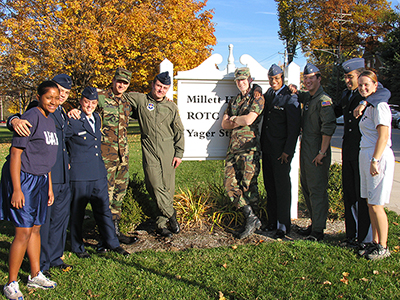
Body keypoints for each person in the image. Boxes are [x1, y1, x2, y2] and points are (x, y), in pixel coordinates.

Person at [6, 74, 73, 276]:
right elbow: (17, 149)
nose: (57, 98)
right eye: (53, 94)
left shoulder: (57, 115)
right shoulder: (35, 112)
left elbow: (54, 151)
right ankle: (24, 275)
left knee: (47, 225)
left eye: (63, 94)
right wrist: (13, 119)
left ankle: (45, 266)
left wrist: (50, 185)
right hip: (29, 178)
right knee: (31, 228)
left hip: (49, 177)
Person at [1, 81, 59, 300]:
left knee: (35, 228)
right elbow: (15, 154)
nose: (53, 101)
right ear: (39, 97)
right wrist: (17, 189)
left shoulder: (50, 120)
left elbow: (46, 159)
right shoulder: (31, 116)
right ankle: (11, 282)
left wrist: (49, 187)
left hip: (42, 180)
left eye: (57, 97)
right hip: (24, 180)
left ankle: (35, 274)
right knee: (23, 231)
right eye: (49, 97)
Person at [70, 68, 137, 245]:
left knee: (119, 195)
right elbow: (84, 107)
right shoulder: (100, 97)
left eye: (125, 83)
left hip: (123, 157)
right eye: (119, 81)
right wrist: (74, 111)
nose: (121, 85)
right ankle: (104, 235)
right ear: (113, 80)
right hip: (104, 157)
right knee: (104, 196)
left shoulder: (126, 102)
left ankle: (114, 232)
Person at [66, 87, 129, 258]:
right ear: (80, 101)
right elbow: (62, 142)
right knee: (77, 212)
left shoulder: (96, 118)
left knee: (103, 210)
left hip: (98, 172)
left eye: (93, 103)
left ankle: (112, 242)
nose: (90, 106)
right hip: (79, 174)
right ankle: (78, 247)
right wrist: (67, 162)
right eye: (86, 102)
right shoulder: (72, 120)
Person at [335, 58, 391, 249]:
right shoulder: (348, 94)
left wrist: (365, 101)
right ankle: (352, 236)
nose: (347, 81)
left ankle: (366, 238)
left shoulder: (372, 93)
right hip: (351, 152)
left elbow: (385, 92)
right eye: (346, 77)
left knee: (365, 198)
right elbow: (335, 110)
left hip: (367, 152)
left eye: (350, 77)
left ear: (360, 75)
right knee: (350, 195)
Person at [124, 71, 185, 238]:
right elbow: (121, 95)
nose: (161, 90)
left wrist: (179, 153)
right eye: (158, 86)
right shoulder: (141, 100)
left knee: (167, 188)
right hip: (149, 148)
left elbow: (179, 131)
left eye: (165, 88)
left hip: (168, 150)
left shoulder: (171, 106)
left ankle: (160, 224)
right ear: (153, 84)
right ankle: (171, 215)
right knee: (154, 186)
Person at [221, 67, 265, 239]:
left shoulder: (257, 98)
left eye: (244, 79)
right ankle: (251, 217)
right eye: (238, 80)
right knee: (229, 184)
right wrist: (236, 121)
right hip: (233, 149)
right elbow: (224, 124)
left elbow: (249, 119)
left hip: (249, 149)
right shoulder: (234, 100)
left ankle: (256, 222)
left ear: (250, 79)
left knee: (248, 186)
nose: (241, 82)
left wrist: (234, 119)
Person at [357, 70, 394, 260]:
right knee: (370, 203)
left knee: (378, 204)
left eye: (367, 84)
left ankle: (384, 246)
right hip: (366, 156)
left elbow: (384, 136)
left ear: (375, 85)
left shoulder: (380, 106)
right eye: (360, 84)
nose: (363, 88)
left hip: (377, 158)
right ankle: (375, 242)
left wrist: (375, 160)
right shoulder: (369, 106)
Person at [261, 64, 301, 238]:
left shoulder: (290, 98)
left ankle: (283, 226)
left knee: (282, 189)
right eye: (271, 79)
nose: (273, 81)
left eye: (276, 78)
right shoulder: (269, 94)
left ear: (282, 78)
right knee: (270, 187)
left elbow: (294, 129)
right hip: (268, 149)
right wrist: (255, 88)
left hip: (281, 153)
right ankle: (272, 222)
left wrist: (288, 152)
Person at [298, 63, 336, 241]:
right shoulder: (310, 98)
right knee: (307, 188)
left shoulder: (323, 100)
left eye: (311, 78)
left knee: (317, 190)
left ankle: (318, 231)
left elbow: (328, 128)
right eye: (305, 78)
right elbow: (301, 95)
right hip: (306, 149)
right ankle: (314, 223)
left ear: (319, 79)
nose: (308, 81)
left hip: (317, 150)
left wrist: (322, 152)